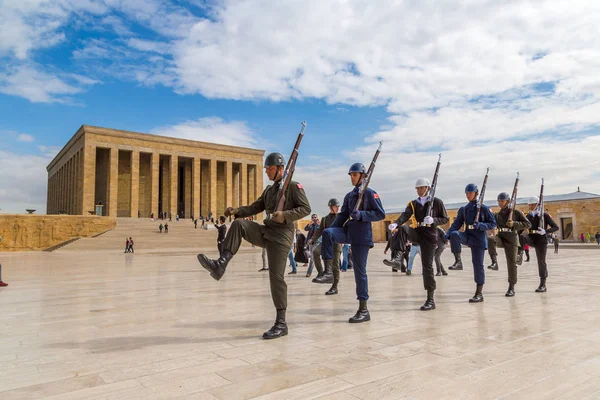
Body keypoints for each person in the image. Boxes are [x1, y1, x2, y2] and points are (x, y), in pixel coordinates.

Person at [196, 152, 311, 339]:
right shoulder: (269, 190)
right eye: (266, 168)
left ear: (280, 169)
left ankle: (281, 323)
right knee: (239, 224)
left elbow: (306, 208)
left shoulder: (293, 186)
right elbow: (255, 207)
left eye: (270, 168)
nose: (266, 171)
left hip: (281, 238)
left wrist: (285, 215)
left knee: (276, 278)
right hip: (266, 231)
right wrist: (237, 210)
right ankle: (220, 265)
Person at [321, 163, 385, 322]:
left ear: (363, 176)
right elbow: (341, 216)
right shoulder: (349, 196)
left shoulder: (370, 193)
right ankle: (328, 272)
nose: (352, 177)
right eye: (350, 175)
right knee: (327, 232)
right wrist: (332, 234)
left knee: (359, 272)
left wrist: (362, 214)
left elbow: (380, 214)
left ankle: (363, 309)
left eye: (355, 175)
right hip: (348, 231)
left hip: (362, 237)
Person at [391, 177, 449, 310]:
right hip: (418, 233)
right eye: (417, 188)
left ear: (428, 188)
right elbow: (405, 216)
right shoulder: (413, 203)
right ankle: (397, 258)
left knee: (427, 266)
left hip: (430, 236)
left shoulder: (437, 202)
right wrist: (396, 223)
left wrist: (433, 220)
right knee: (404, 229)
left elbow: (445, 218)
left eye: (421, 188)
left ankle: (430, 299)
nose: (418, 190)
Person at [446, 183, 497, 303]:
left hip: (479, 239)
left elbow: (493, 223)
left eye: (470, 193)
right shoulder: (464, 209)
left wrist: (481, 225)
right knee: (454, 234)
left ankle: (479, 293)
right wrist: (447, 234)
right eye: (467, 193)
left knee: (477, 265)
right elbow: (456, 224)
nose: (468, 195)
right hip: (468, 236)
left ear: (476, 193)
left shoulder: (484, 208)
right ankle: (458, 261)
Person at [486, 192, 531, 297]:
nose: (500, 203)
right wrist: (489, 214)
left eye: (502, 201)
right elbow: (492, 223)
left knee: (511, 264)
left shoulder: (515, 212)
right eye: (499, 201)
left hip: (512, 238)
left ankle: (511, 287)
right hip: (501, 236)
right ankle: (494, 262)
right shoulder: (498, 214)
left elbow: (528, 224)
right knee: (491, 239)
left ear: (508, 201)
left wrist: (514, 224)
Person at [520, 197, 559, 292]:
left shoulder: (544, 215)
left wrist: (545, 231)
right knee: (521, 237)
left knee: (541, 262)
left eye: (532, 204)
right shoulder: (529, 216)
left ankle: (543, 284)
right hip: (531, 237)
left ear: (537, 204)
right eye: (529, 204)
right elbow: (522, 228)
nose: (530, 206)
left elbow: (555, 227)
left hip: (541, 239)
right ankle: (519, 255)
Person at [310, 199, 342, 293]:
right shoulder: (325, 219)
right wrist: (312, 239)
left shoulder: (340, 217)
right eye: (336, 206)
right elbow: (319, 231)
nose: (337, 208)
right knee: (315, 252)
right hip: (325, 243)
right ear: (331, 207)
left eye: (338, 207)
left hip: (336, 244)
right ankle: (321, 272)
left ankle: (334, 286)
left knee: (335, 266)